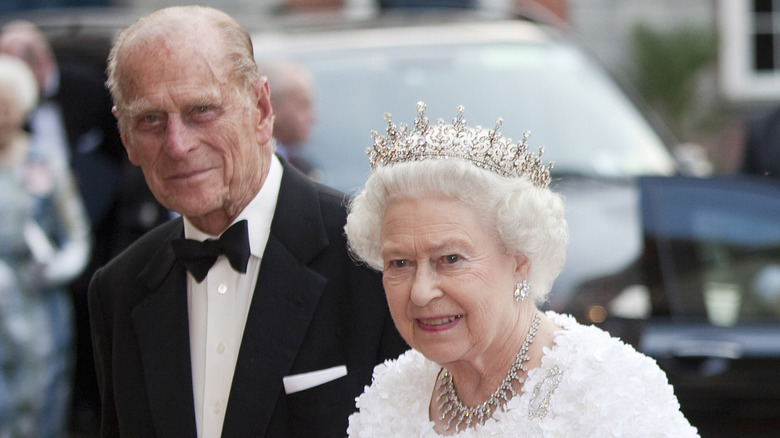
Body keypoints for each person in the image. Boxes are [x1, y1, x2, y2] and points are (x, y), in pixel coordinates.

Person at [88, 6, 407, 437]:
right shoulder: (120, 288)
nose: (177, 145)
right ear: (126, 139)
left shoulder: (377, 255)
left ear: (260, 109)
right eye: (150, 120)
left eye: (201, 110)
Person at [344, 102, 699, 436]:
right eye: (400, 263)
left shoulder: (609, 390)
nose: (421, 292)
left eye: (450, 259)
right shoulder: (393, 395)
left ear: (519, 261)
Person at [0, 54, 91, 437]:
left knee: (41, 393)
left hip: (36, 300)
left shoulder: (44, 159)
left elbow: (76, 235)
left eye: (6, 106)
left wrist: (53, 268)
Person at [261, 59, 320, 179]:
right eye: (303, 104)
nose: (313, 116)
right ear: (270, 106)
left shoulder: (303, 168)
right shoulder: (261, 171)